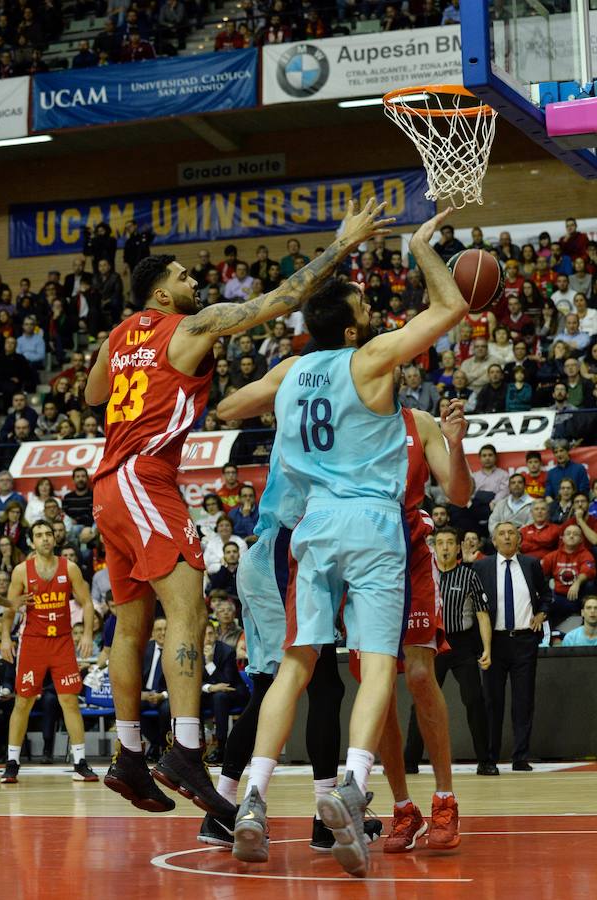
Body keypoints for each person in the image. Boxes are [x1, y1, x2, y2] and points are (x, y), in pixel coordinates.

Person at [84, 198, 397, 817]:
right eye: (183, 277)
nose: (194, 281)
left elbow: (96, 392)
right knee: (188, 606)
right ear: (164, 297)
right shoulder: (189, 327)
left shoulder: (119, 335)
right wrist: (342, 244)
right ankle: (184, 750)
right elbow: (281, 301)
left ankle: (126, 753)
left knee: (132, 618)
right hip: (146, 476)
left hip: (106, 488)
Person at [229, 208, 468, 877]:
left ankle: (252, 799)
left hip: (312, 527)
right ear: (356, 325)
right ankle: (354, 789)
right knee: (378, 665)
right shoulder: (371, 358)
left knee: (298, 664)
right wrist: (420, 246)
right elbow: (448, 305)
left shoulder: (291, 372)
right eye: (364, 303)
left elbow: (228, 408)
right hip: (370, 524)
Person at [212, 378, 472, 856]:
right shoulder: (342, 418)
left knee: (416, 674)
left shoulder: (421, 424)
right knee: (376, 678)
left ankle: (444, 797)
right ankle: (401, 806)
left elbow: (459, 493)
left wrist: (455, 446)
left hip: (406, 547)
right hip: (354, 547)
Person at [0, 520, 99, 784]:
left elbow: (87, 602)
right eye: (39, 535)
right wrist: (6, 639)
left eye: (48, 534)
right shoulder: (22, 571)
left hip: (63, 642)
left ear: (54, 539)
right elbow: (10, 607)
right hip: (32, 642)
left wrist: (88, 633)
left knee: (69, 700)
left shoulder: (70, 568)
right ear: (32, 541)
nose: (44, 538)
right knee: (24, 701)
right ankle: (12, 762)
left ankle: (80, 761)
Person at [403, 527, 495, 776]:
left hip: (462, 645)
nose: (444, 547)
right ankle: (409, 761)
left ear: (458, 548)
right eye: (440, 542)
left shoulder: (469, 575)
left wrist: (487, 648)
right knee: (422, 701)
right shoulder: (424, 576)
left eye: (450, 543)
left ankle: (485, 761)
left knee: (474, 700)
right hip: (432, 645)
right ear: (434, 547)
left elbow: (482, 613)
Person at [473, 522, 551, 771]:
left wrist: (542, 613)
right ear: (493, 541)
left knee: (523, 699)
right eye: (501, 534)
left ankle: (520, 756)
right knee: (491, 701)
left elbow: (547, 596)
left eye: (511, 534)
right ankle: (490, 757)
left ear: (519, 539)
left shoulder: (530, 564)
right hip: (493, 642)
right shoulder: (481, 566)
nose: (507, 537)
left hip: (525, 640)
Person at [201, 622, 249, 764]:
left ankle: (222, 747)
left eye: (210, 634)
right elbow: (193, 680)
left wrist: (209, 663)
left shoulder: (227, 651)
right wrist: (210, 688)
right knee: (193, 698)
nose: (207, 638)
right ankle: (197, 747)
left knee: (220, 697)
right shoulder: (194, 651)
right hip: (208, 693)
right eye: (204, 634)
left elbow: (226, 682)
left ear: (216, 635)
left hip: (233, 694)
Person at [541, 524, 596, 627]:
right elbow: (540, 574)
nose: (571, 536)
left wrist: (577, 583)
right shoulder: (552, 556)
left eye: (575, 534)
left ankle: (586, 622)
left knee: (590, 584)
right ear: (563, 538)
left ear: (581, 539)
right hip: (559, 597)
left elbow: (589, 571)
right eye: (568, 534)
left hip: (579, 597)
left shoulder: (585, 554)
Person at [141, 617, 170, 762]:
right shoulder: (146, 648)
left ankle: (165, 748)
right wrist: (141, 694)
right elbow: (135, 673)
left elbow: (182, 682)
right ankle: (154, 742)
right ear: (152, 632)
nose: (163, 633)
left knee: (166, 709)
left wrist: (163, 695)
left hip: (168, 695)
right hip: (146, 693)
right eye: (159, 629)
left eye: (166, 629)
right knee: (130, 706)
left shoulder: (177, 649)